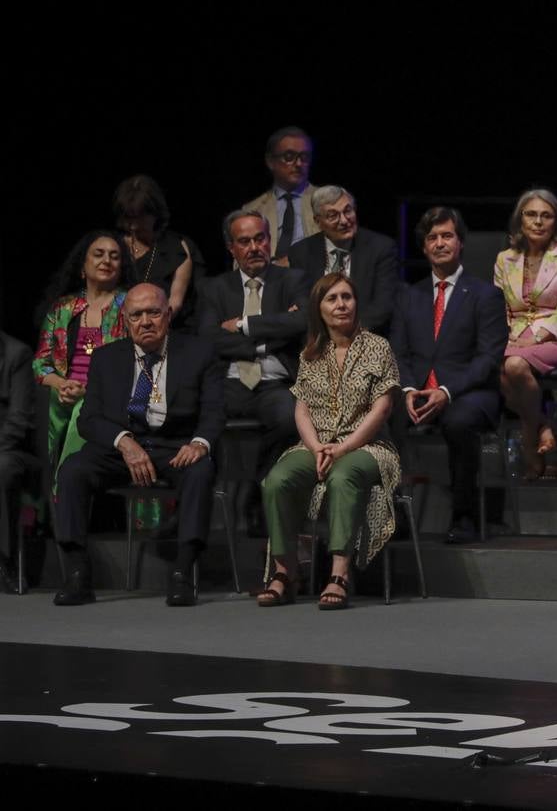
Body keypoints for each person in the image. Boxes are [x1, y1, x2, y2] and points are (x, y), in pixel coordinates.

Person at [52, 284, 223, 607]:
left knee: (200, 470)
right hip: (120, 449)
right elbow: (88, 420)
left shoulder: (199, 352)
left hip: (173, 446)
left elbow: (214, 410)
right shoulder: (105, 357)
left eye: (153, 313)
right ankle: (77, 572)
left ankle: (182, 571)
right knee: (73, 469)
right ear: (125, 321)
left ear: (168, 315)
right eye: (137, 315)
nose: (146, 321)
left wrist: (200, 444)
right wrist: (124, 442)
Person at [258, 273, 401, 609]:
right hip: (317, 445)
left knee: (343, 475)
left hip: (368, 447)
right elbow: (301, 411)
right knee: (277, 479)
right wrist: (315, 447)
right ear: (318, 309)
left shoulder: (378, 347)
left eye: (346, 297)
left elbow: (381, 410)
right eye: (332, 299)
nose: (341, 305)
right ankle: (285, 571)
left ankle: (339, 573)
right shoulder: (311, 353)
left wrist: (344, 447)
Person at [390, 206, 508, 542]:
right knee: (383, 413)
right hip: (417, 391)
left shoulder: (486, 295)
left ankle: (463, 516)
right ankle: (393, 514)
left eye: (447, 236)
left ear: (460, 243)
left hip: (469, 393)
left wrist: (446, 391)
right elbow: (397, 351)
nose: (440, 243)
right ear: (424, 247)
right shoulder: (407, 296)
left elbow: (488, 358)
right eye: (432, 238)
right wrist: (410, 389)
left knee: (458, 421)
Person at [195, 209, 309, 535]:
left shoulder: (293, 280)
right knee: (196, 415)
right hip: (229, 381)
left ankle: (260, 495)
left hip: (274, 383)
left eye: (260, 238)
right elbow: (208, 339)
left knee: (290, 418)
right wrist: (267, 340)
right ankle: (194, 505)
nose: (254, 247)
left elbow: (303, 321)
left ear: (269, 241)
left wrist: (244, 326)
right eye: (244, 242)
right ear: (232, 248)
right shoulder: (213, 289)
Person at [33, 231, 133, 515]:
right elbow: (40, 362)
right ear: (82, 265)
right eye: (98, 254)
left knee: (82, 411)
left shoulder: (130, 306)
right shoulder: (62, 308)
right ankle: (48, 511)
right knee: (56, 406)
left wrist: (89, 390)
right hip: (63, 391)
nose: (106, 260)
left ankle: (63, 502)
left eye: (114, 256)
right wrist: (61, 384)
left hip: (111, 396)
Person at [493, 189, 557, 478]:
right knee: (494, 368)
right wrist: (511, 338)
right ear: (520, 220)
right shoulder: (504, 259)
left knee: (514, 365)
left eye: (546, 215)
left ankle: (529, 445)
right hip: (512, 340)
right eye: (531, 214)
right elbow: (500, 308)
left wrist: (534, 337)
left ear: (556, 222)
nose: (538, 221)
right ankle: (545, 426)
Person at [289, 185, 401, 334]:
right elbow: (302, 304)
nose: (344, 220)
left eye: (348, 211)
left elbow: (383, 306)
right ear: (318, 221)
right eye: (332, 215)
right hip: (316, 339)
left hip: (365, 337)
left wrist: (347, 335)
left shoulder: (381, 248)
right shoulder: (300, 252)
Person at [113, 174, 205, 327]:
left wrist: (147, 326)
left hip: (161, 329)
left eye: (140, 218)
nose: (134, 226)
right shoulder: (115, 247)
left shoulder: (177, 248)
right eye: (129, 218)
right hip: (116, 329)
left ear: (155, 213)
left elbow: (175, 303)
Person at [241, 126, 320, 262]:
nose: (299, 163)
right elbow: (241, 262)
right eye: (289, 157)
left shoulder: (329, 202)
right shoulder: (252, 210)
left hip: (316, 278)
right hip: (268, 278)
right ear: (271, 162)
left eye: (304, 157)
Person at [1, 326, 37, 589]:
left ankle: (5, 562)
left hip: (10, 448)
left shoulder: (16, 354)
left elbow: (18, 420)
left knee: (1, 468)